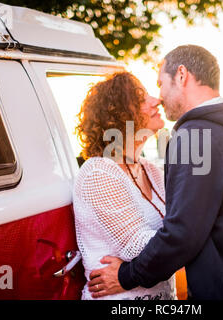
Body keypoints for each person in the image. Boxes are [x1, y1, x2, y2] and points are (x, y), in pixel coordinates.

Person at [87, 45, 223, 300]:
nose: (158, 96)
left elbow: (182, 233)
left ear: (181, 75)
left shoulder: (194, 136)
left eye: (160, 83)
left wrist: (127, 275)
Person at [72, 71, 177, 300]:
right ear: (118, 116)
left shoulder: (151, 171)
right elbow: (138, 248)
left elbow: (174, 233)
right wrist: (194, 234)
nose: (156, 100)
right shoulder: (98, 172)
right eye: (141, 99)